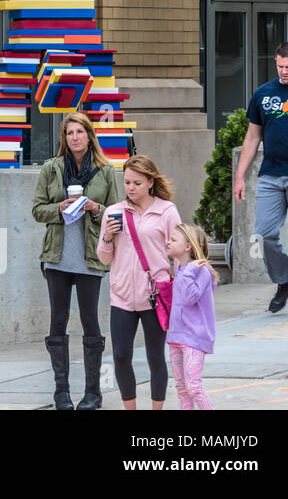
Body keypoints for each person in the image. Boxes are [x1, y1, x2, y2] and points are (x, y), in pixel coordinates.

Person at [32, 111, 119, 410]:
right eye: (70, 133)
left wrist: (95, 207)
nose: (75, 137)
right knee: (57, 321)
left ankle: (93, 393)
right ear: (64, 138)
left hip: (89, 258)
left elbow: (115, 213)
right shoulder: (52, 168)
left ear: (89, 135)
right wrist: (60, 207)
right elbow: (37, 210)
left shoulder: (105, 171)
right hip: (56, 258)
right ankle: (61, 393)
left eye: (80, 132)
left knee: (90, 321)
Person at [98, 155, 181, 410]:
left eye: (137, 183)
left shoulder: (166, 211)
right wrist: (108, 236)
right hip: (121, 296)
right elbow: (103, 258)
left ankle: (157, 408)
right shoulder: (113, 212)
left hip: (155, 295)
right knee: (121, 356)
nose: (131, 188)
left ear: (150, 182)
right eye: (127, 183)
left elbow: (178, 253)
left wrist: (179, 288)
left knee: (155, 356)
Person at [233, 41, 288, 321]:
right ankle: (285, 278)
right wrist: (240, 176)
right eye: (279, 66)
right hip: (270, 175)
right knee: (264, 233)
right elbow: (253, 137)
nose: (284, 71)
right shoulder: (263, 94)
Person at [165, 224, 218, 410]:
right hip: (177, 337)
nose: (168, 242)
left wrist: (188, 274)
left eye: (173, 239)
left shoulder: (201, 271)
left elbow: (190, 298)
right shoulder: (182, 269)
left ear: (188, 246)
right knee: (181, 387)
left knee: (193, 387)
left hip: (194, 338)